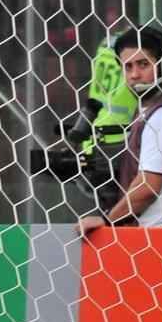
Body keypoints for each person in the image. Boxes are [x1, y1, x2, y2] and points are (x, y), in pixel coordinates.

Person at [76, 26, 162, 235]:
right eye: (128, 66)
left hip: (161, 239)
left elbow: (147, 187)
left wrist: (106, 221)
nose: (135, 75)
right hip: (152, 238)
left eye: (143, 64)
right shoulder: (148, 110)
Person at [65, 24, 139, 216]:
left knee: (109, 209)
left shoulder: (106, 44)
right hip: (116, 145)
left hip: (92, 139)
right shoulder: (132, 51)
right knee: (121, 213)